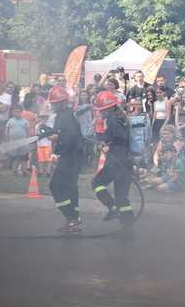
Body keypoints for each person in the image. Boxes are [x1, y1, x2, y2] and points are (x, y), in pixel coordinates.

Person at [92, 90, 135, 229]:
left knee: (97, 182)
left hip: (117, 162)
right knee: (122, 197)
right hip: (125, 162)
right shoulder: (119, 118)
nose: (101, 112)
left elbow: (120, 138)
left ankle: (112, 208)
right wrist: (105, 142)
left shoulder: (112, 120)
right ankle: (128, 226)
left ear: (109, 108)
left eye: (102, 109)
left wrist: (107, 145)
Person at [47, 85, 84, 233]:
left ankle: (71, 218)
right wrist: (53, 135)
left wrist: (57, 153)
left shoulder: (64, 117)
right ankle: (74, 217)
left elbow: (68, 139)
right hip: (75, 157)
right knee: (70, 187)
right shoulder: (68, 114)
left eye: (55, 103)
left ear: (62, 102)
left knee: (55, 186)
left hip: (69, 157)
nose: (53, 105)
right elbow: (65, 135)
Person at [6, 105, 30, 176]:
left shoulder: (24, 121)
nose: (17, 113)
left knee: (23, 157)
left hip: (23, 143)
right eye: (15, 112)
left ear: (21, 112)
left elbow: (27, 131)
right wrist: (7, 139)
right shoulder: (10, 121)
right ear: (13, 112)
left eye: (19, 112)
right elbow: (7, 130)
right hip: (13, 142)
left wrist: (27, 141)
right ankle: (14, 170)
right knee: (14, 157)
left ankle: (24, 170)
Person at [35, 109, 54, 177]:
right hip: (40, 145)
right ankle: (41, 171)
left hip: (48, 145)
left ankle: (48, 172)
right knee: (41, 160)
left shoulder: (50, 126)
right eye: (42, 118)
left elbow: (52, 135)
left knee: (48, 159)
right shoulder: (37, 126)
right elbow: (36, 135)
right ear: (40, 118)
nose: (44, 119)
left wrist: (47, 135)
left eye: (45, 118)